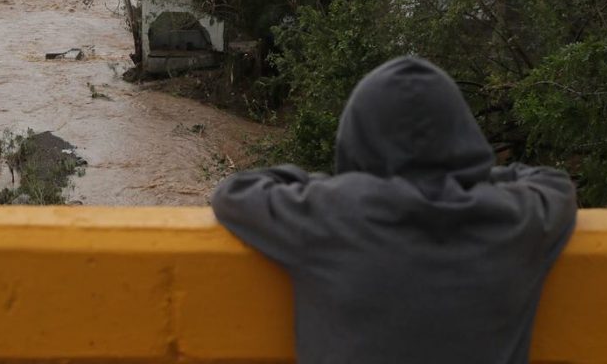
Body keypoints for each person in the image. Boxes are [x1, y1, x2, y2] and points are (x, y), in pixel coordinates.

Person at [211, 56, 577, 364]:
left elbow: (235, 192)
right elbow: (554, 182)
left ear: (355, 135)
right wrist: (471, 180)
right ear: (463, 135)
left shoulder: (330, 213)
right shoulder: (519, 219)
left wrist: (332, 183)